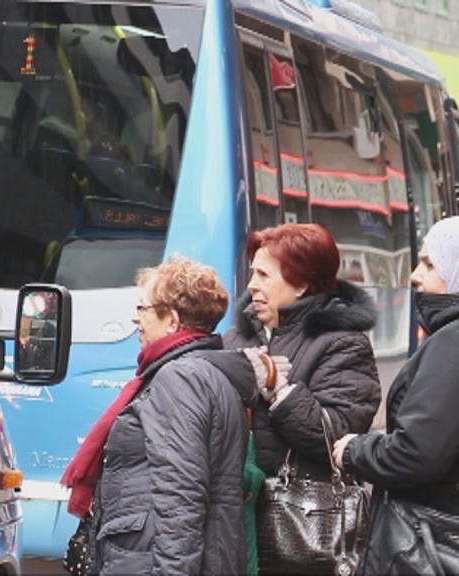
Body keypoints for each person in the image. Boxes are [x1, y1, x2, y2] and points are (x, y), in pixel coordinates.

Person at [62, 256, 261, 574]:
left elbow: (180, 492)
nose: (135, 319)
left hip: (149, 560)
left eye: (143, 309)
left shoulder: (179, 378)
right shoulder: (205, 372)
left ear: (172, 320)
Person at [332, 216, 459, 574]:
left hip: (431, 539)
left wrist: (356, 450)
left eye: (430, 264)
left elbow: (418, 451)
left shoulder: (452, 343)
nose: (416, 275)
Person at [224, 224, 380, 487]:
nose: (252, 285)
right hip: (236, 508)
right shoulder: (236, 337)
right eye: (253, 273)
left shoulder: (344, 343)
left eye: (263, 275)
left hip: (300, 514)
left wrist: (279, 391)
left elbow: (337, 438)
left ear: (300, 284)